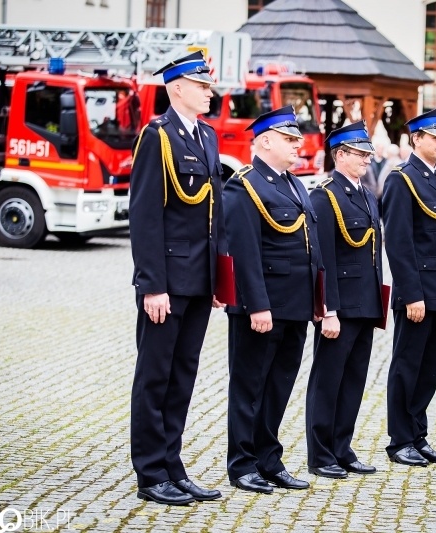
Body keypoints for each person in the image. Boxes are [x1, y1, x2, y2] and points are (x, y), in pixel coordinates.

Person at [129, 51, 226, 505]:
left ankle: (173, 465)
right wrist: (152, 285)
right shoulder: (158, 136)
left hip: (199, 280)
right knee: (155, 377)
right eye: (202, 85)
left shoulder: (207, 136)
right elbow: (145, 215)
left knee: (183, 376)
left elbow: (215, 215)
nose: (209, 92)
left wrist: (219, 280)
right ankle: (151, 473)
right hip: (167, 282)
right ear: (177, 88)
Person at [223, 105, 324, 494]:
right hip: (262, 307)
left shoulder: (295, 184)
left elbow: (311, 249)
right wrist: (257, 305)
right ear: (264, 141)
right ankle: (242, 464)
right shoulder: (245, 185)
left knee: (278, 386)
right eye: (289, 139)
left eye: (297, 139)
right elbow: (244, 251)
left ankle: (268, 459)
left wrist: (319, 300)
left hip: (296, 305)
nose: (298, 145)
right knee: (249, 387)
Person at [381, 107, 436, 467]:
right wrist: (412, 294)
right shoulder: (402, 179)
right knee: (407, 366)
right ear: (416, 139)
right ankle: (400, 440)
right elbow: (398, 242)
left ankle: (418, 435)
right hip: (418, 294)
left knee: (429, 368)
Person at [306, 121, 383, 480]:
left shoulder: (367, 194)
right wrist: (329, 310)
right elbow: (324, 259)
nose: (367, 159)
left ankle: (342, 448)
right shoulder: (325, 195)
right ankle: (321, 454)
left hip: (365, 302)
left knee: (353, 380)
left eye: (368, 153)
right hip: (340, 307)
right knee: (328, 380)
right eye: (359, 153)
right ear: (339, 155)